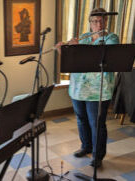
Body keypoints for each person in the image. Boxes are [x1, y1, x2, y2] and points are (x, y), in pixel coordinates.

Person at [56, 8, 119, 168]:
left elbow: (99, 56)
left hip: (98, 90)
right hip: (78, 88)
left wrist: (79, 47)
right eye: (94, 21)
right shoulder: (84, 38)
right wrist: (63, 50)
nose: (98, 24)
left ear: (106, 22)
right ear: (90, 23)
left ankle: (98, 155)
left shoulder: (111, 39)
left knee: (97, 123)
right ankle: (86, 146)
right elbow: (72, 61)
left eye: (101, 21)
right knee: (81, 119)